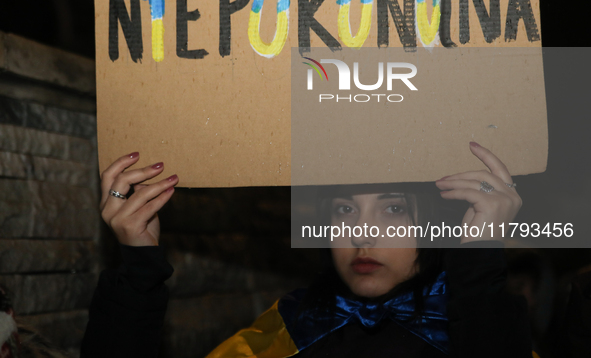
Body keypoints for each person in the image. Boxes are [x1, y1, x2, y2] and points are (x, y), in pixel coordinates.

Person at [80, 142, 535, 357]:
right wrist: (138, 265)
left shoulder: (482, 328)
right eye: (342, 210)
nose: (362, 233)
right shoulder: (288, 332)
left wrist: (478, 259)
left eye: (394, 208)